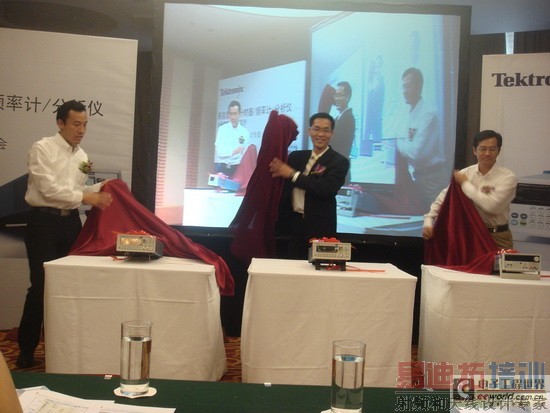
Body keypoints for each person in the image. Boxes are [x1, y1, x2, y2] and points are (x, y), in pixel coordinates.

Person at [17, 100, 113, 368]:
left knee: (68, 285)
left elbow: (77, 190)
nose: (81, 130)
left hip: (70, 223)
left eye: (85, 125)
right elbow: (48, 190)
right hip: (43, 223)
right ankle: (26, 349)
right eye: (76, 124)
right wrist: (87, 197)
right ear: (60, 123)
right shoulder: (43, 148)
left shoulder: (81, 156)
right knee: (41, 285)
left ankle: (63, 350)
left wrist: (103, 188)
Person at [270, 112, 350, 259]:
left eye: (326, 130)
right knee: (291, 267)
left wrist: (293, 174)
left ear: (331, 133)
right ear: (309, 131)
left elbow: (324, 189)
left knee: (320, 269)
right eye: (316, 129)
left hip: (320, 227)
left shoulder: (339, 162)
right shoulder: (296, 157)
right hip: (293, 225)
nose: (321, 134)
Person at [423, 130, 518, 249]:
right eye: (483, 149)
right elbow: (443, 198)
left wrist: (465, 184)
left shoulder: (508, 177)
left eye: (492, 149)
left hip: (498, 237)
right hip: (471, 235)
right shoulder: (465, 173)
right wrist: (428, 220)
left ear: (498, 151)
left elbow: (492, 207)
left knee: (501, 262)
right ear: (474, 150)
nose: (487, 153)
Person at [395, 67, 449, 210]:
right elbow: (407, 144)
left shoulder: (429, 113)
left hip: (433, 180)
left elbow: (417, 153)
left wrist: (399, 142)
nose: (404, 91)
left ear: (419, 86)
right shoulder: (407, 114)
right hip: (418, 178)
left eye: (408, 86)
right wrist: (404, 143)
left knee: (435, 221)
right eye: (403, 87)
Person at [214, 100, 250, 177]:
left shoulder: (245, 132)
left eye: (235, 114)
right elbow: (220, 152)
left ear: (239, 114)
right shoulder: (222, 129)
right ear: (228, 114)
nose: (233, 117)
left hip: (238, 169)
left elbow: (245, 153)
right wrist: (233, 151)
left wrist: (239, 151)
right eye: (231, 114)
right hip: (223, 168)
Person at [330, 82, 355, 184]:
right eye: (336, 95)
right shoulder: (338, 118)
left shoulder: (348, 118)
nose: (337, 98)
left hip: (340, 171)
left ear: (348, 97)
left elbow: (339, 147)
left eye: (340, 95)